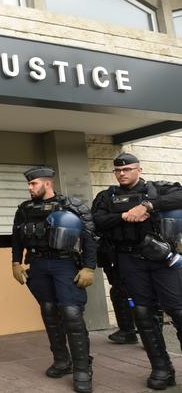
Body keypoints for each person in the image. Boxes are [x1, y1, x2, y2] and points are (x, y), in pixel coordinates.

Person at [92, 153, 182, 390]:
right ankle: (162, 369)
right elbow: (97, 221)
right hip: (129, 261)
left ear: (139, 170)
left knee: (178, 310)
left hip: (161, 261)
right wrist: (123, 215)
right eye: (118, 170)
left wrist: (148, 205)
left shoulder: (157, 189)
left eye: (127, 169)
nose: (122, 173)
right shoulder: (105, 197)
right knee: (143, 315)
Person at [11, 167, 97, 393]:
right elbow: (16, 237)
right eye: (29, 185)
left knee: (71, 313)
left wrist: (89, 267)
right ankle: (62, 360)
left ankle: (82, 368)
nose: (30, 188)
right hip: (38, 265)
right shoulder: (25, 209)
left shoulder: (72, 205)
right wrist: (15, 262)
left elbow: (90, 237)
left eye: (34, 184)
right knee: (49, 310)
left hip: (65, 264)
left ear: (47, 183)